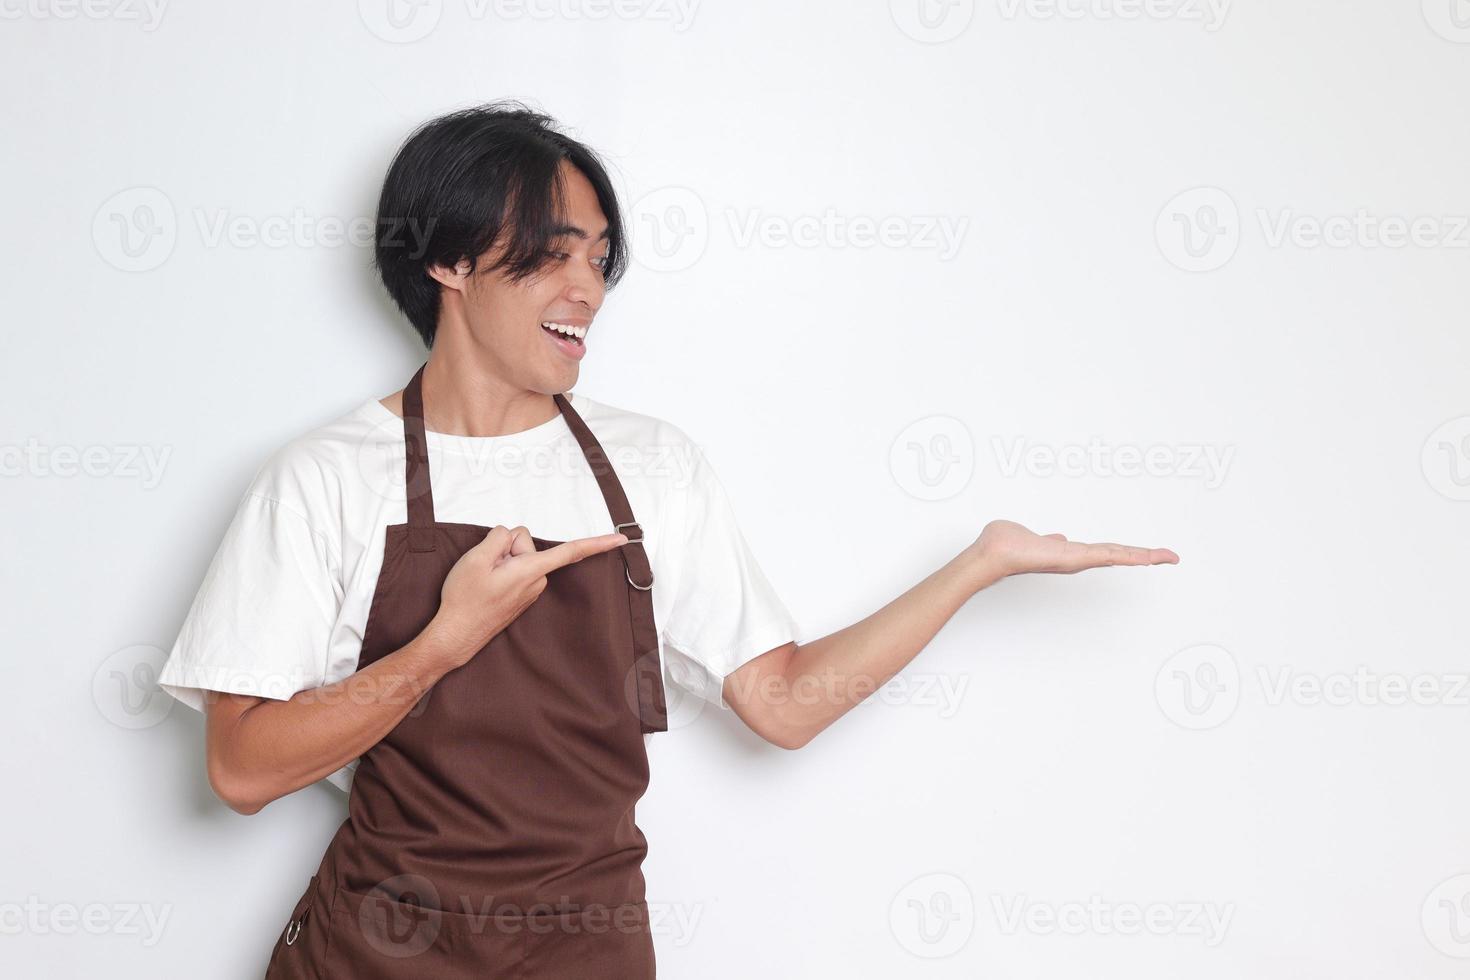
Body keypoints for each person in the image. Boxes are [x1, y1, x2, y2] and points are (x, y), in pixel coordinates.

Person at [157, 100, 1179, 979]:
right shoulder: (326, 478)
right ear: (448, 259)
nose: (587, 289)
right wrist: (440, 642)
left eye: (598, 258)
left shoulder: (652, 468)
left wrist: (978, 565)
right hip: (377, 952)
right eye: (552, 254)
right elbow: (243, 770)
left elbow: (780, 702)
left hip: (588, 951)